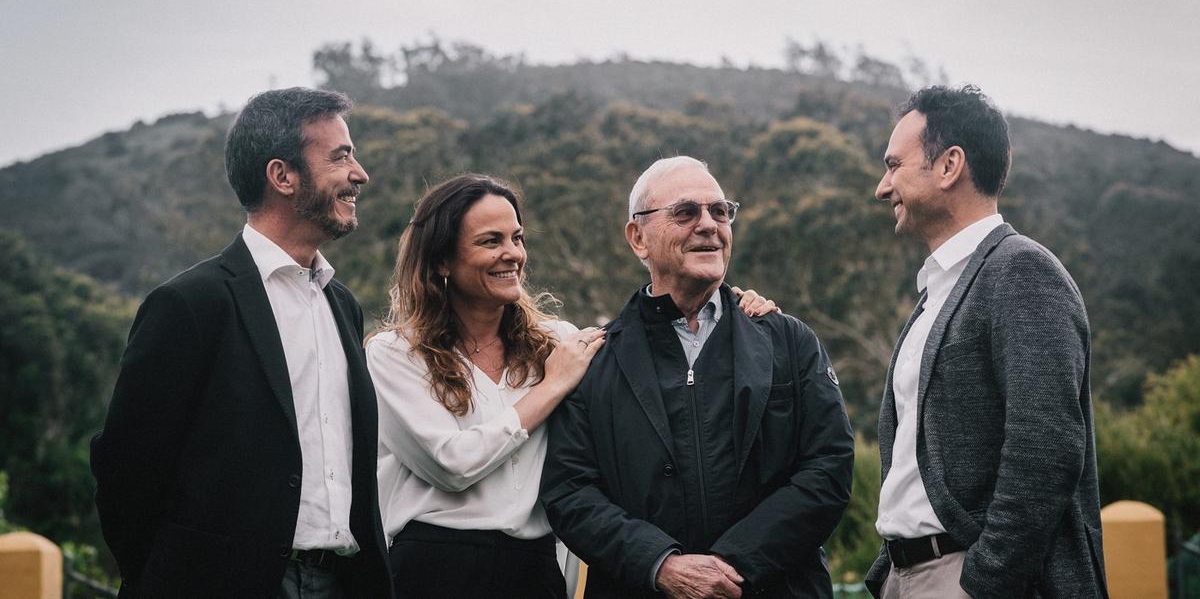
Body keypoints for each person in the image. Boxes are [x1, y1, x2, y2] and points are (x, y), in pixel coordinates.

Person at [368, 174, 777, 599]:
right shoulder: (395, 354)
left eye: (517, 238)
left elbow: (647, 339)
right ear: (441, 261)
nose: (512, 254)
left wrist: (738, 308)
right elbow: (450, 466)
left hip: (533, 569)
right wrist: (550, 388)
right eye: (490, 241)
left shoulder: (559, 342)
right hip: (432, 567)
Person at [90, 88, 392, 598]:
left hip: (343, 583)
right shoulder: (189, 305)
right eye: (340, 157)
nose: (359, 174)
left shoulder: (343, 305)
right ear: (282, 176)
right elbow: (126, 471)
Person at [540, 156, 855, 599]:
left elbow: (829, 467)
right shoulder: (592, 360)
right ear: (638, 238)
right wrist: (660, 564)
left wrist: (730, 567)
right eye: (686, 212)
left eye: (720, 211)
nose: (708, 224)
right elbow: (569, 492)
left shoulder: (789, 340)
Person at [865, 86, 1107, 598]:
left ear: (950, 165)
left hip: (966, 580)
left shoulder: (1021, 270)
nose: (882, 187)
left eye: (894, 165)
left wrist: (982, 583)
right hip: (908, 577)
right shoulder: (940, 288)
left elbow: (1046, 448)